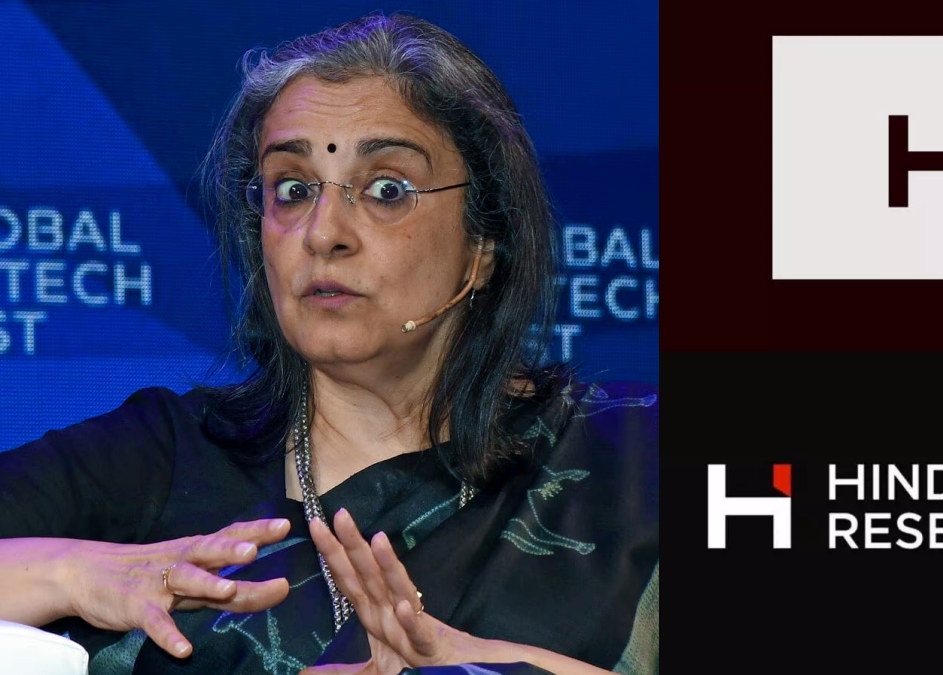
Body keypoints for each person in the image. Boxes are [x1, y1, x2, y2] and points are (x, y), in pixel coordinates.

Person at [0, 12, 658, 675]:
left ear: (483, 244)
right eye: (292, 190)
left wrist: (481, 661)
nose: (322, 233)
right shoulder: (161, 456)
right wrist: (69, 573)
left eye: (386, 190)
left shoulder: (643, 456)